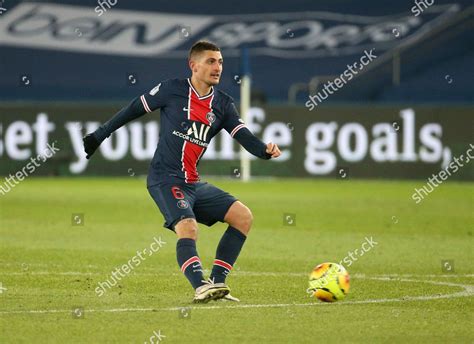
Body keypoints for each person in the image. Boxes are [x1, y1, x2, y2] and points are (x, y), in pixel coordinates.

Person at [83, 40, 281, 303]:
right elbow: (133, 109)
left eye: (220, 62)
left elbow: (244, 136)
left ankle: (217, 285)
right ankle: (200, 286)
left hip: (193, 183)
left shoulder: (222, 104)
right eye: (211, 61)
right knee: (188, 228)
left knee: (243, 217)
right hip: (165, 178)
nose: (218, 67)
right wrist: (99, 134)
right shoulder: (172, 90)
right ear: (193, 65)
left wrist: (264, 150)